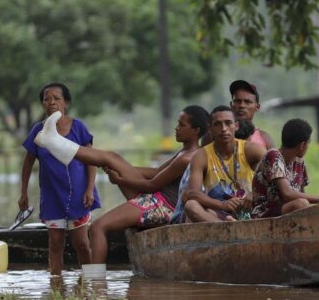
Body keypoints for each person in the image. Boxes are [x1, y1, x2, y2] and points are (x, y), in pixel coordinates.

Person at [34, 105, 210, 271]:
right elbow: (156, 172)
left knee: (97, 228)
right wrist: (121, 169)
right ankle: (54, 142)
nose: (176, 128)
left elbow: (152, 183)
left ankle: (95, 285)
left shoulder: (188, 158)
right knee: (113, 158)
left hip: (163, 207)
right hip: (157, 198)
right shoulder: (184, 153)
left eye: (181, 124)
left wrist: (121, 179)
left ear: (196, 131)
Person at [19, 82, 100, 276]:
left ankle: (90, 283)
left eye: (57, 98)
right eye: (47, 99)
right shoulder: (38, 131)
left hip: (79, 194)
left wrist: (90, 188)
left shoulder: (78, 128)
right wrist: (23, 193)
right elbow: (28, 163)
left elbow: (92, 160)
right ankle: (56, 286)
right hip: (52, 195)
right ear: (42, 105)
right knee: (55, 244)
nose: (52, 102)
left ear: (66, 103)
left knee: (81, 243)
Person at [183, 105, 267, 222]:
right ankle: (227, 228)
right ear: (210, 128)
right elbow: (192, 193)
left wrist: (255, 193)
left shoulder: (252, 149)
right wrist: (222, 205)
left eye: (228, 123)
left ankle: (229, 229)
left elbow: (274, 174)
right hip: (219, 214)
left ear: (236, 126)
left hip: (252, 212)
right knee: (191, 206)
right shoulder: (201, 155)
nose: (223, 129)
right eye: (217, 124)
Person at [251, 118, 319, 218]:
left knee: (308, 205)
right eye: (308, 143)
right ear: (302, 145)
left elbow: (301, 193)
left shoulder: (299, 161)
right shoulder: (274, 156)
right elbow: (287, 194)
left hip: (285, 210)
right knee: (301, 204)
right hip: (264, 212)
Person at [229, 79, 275, 149]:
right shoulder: (218, 135)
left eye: (247, 102)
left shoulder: (265, 139)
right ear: (231, 105)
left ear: (257, 107)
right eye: (238, 101)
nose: (242, 105)